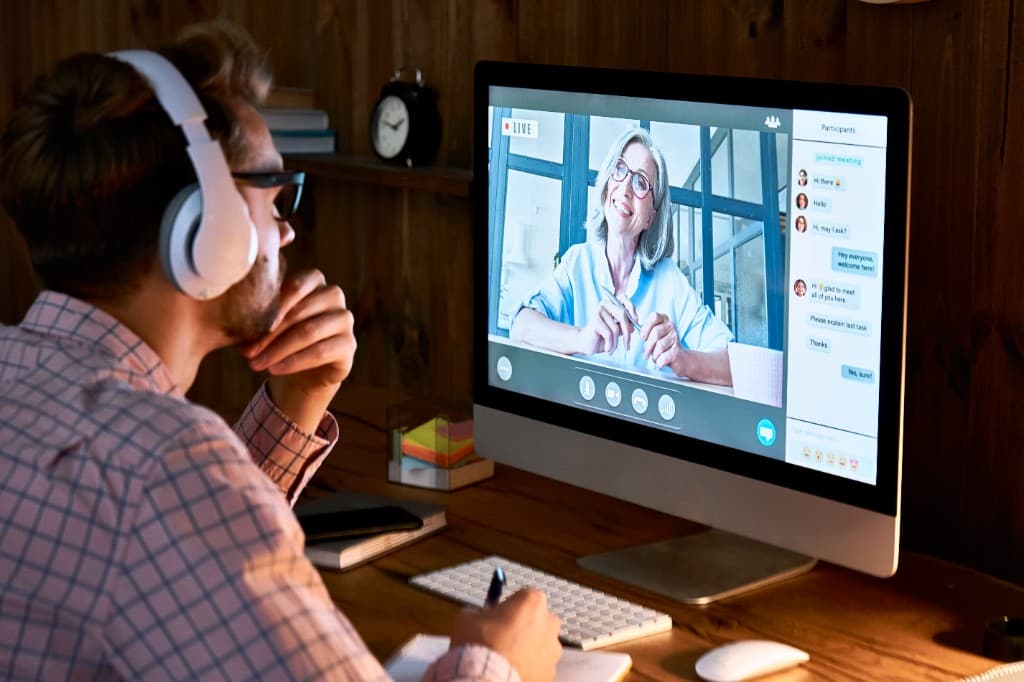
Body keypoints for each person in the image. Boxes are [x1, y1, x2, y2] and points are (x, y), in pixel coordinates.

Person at [0, 22, 561, 681]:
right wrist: (498, 661)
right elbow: (163, 510)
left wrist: (296, 404)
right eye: (273, 195)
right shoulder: (160, 468)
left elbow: (181, 571)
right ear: (209, 233)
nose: (287, 229)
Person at [510, 127, 732, 386]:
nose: (625, 188)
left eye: (640, 182)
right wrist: (581, 338)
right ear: (606, 186)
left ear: (651, 216)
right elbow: (521, 326)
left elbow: (733, 363)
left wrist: (684, 360)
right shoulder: (577, 262)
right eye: (619, 169)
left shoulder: (670, 280)